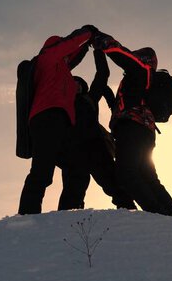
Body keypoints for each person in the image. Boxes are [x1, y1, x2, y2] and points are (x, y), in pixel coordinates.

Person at [93, 32, 172, 218]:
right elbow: (127, 105)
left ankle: (158, 217)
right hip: (144, 129)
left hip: (133, 128)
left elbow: (120, 52)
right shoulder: (140, 81)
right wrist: (110, 96)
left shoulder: (141, 69)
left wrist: (100, 39)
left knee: (127, 174)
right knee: (149, 179)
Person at [18, 25, 97, 215]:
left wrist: (87, 46)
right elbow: (70, 44)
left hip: (63, 123)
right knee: (42, 172)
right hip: (46, 117)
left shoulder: (65, 73)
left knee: (78, 169)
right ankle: (27, 216)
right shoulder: (47, 58)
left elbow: (75, 53)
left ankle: (68, 217)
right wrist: (88, 33)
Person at [57, 49, 137, 211]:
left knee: (115, 185)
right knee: (72, 194)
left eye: (80, 83)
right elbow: (60, 72)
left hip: (96, 149)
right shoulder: (59, 104)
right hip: (72, 153)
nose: (76, 85)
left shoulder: (90, 98)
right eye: (73, 82)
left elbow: (102, 74)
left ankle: (130, 214)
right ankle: (66, 225)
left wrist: (97, 50)